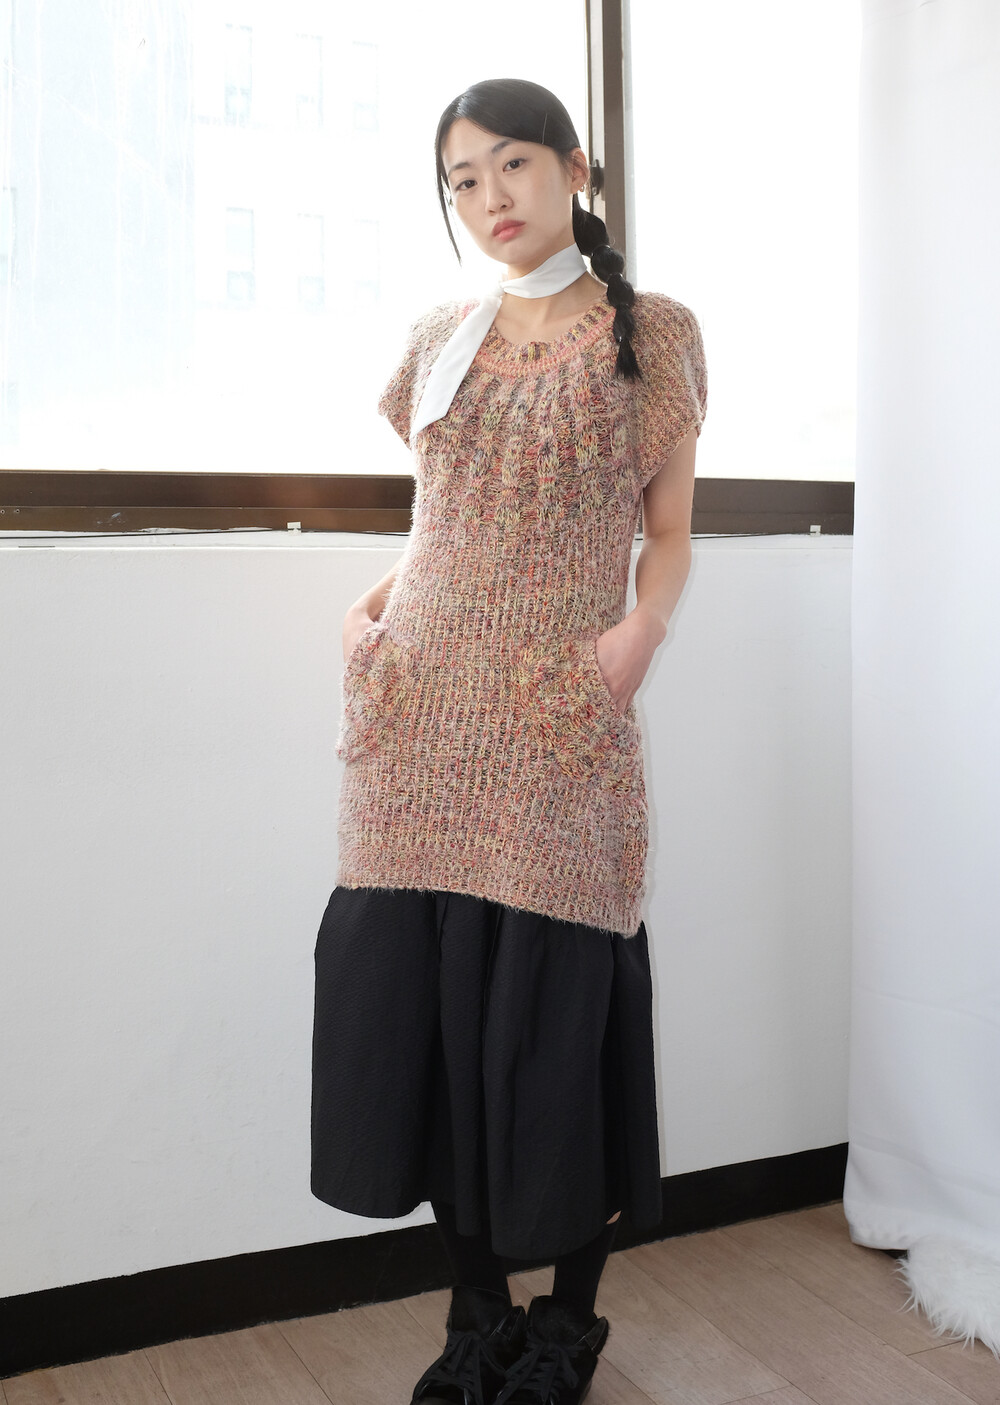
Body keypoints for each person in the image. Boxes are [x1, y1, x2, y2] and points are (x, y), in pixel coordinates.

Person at [310, 76, 707, 1405]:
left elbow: (668, 533)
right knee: (431, 1022)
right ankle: (475, 1313)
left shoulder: (652, 331)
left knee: (555, 1018)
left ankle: (565, 1323)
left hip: (554, 715)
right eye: (463, 180)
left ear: (576, 169)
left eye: (513, 165)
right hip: (418, 714)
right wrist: (371, 608)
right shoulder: (440, 334)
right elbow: (444, 518)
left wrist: (639, 636)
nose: (490, 198)